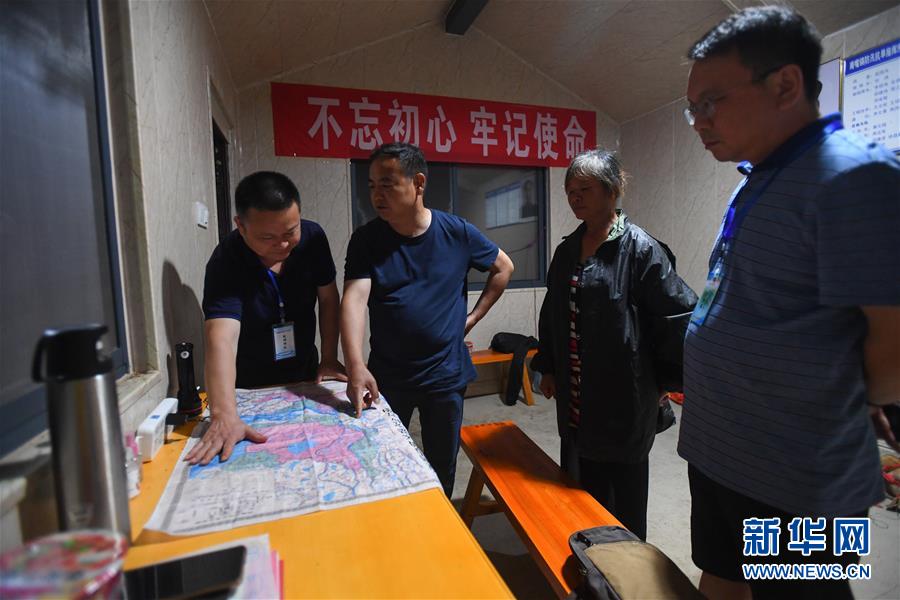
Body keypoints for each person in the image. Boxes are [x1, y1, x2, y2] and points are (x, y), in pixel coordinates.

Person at [678, 7, 900, 600]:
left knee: (802, 591)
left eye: (711, 102)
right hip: (722, 448)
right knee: (723, 571)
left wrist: (864, 399)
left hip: (796, 471)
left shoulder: (855, 176)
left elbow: (894, 335)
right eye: (691, 108)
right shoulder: (758, 177)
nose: (699, 122)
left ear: (785, 85)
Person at [531, 148, 697, 541]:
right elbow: (553, 312)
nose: (575, 198)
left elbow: (676, 315)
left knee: (625, 489)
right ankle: (589, 552)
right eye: (570, 191)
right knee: (582, 480)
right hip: (576, 389)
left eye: (584, 189)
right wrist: (548, 365)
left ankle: (628, 562)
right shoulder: (567, 249)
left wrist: (665, 381)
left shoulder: (641, 249)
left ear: (611, 190)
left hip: (626, 391)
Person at [341, 142, 514, 497]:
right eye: (372, 186)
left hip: (444, 376)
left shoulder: (457, 232)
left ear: (418, 183)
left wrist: (471, 318)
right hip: (388, 375)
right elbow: (354, 300)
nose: (376, 195)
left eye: (387, 184)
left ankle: (441, 523)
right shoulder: (366, 240)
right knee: (385, 463)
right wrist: (355, 365)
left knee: (441, 466)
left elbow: (503, 267)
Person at [186, 171, 346, 465]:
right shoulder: (226, 261)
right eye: (268, 237)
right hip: (251, 382)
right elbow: (221, 337)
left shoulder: (312, 238)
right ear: (241, 226)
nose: (282, 245)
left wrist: (328, 357)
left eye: (290, 232)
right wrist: (223, 415)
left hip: (305, 371)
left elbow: (328, 299)